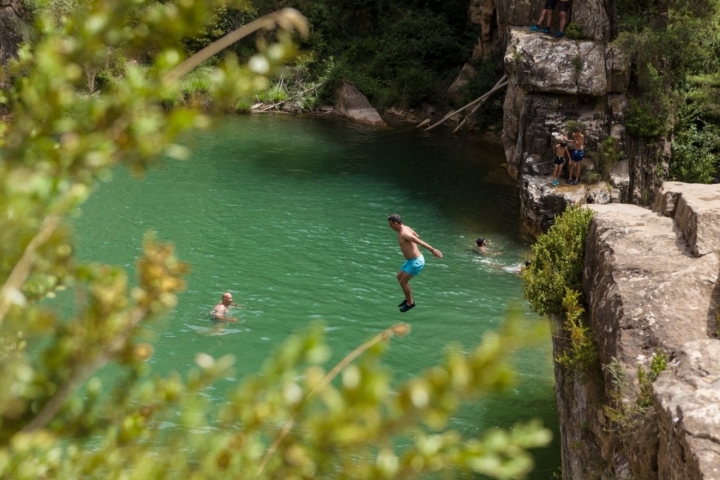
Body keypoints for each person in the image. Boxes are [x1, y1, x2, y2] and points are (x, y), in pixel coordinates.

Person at [387, 213, 443, 312]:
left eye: (391, 224)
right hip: (410, 260)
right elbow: (416, 235)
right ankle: (407, 298)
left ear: (396, 223)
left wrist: (433, 250)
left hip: (416, 261)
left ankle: (410, 303)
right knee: (399, 276)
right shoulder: (405, 228)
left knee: (403, 282)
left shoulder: (404, 233)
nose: (390, 227)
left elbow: (419, 241)